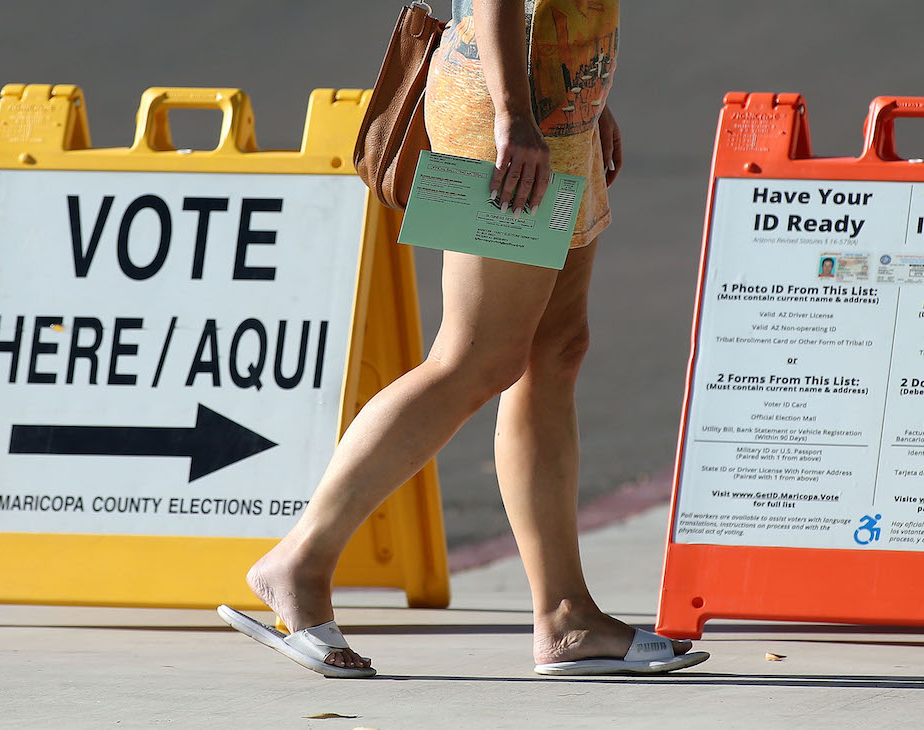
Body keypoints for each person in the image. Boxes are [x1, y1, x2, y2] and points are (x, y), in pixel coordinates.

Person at [218, 0, 708, 678]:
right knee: (474, 358)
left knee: (554, 353)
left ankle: (567, 618)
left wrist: (584, 100)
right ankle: (298, 561)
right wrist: (514, 113)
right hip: (503, 117)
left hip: (560, 110)